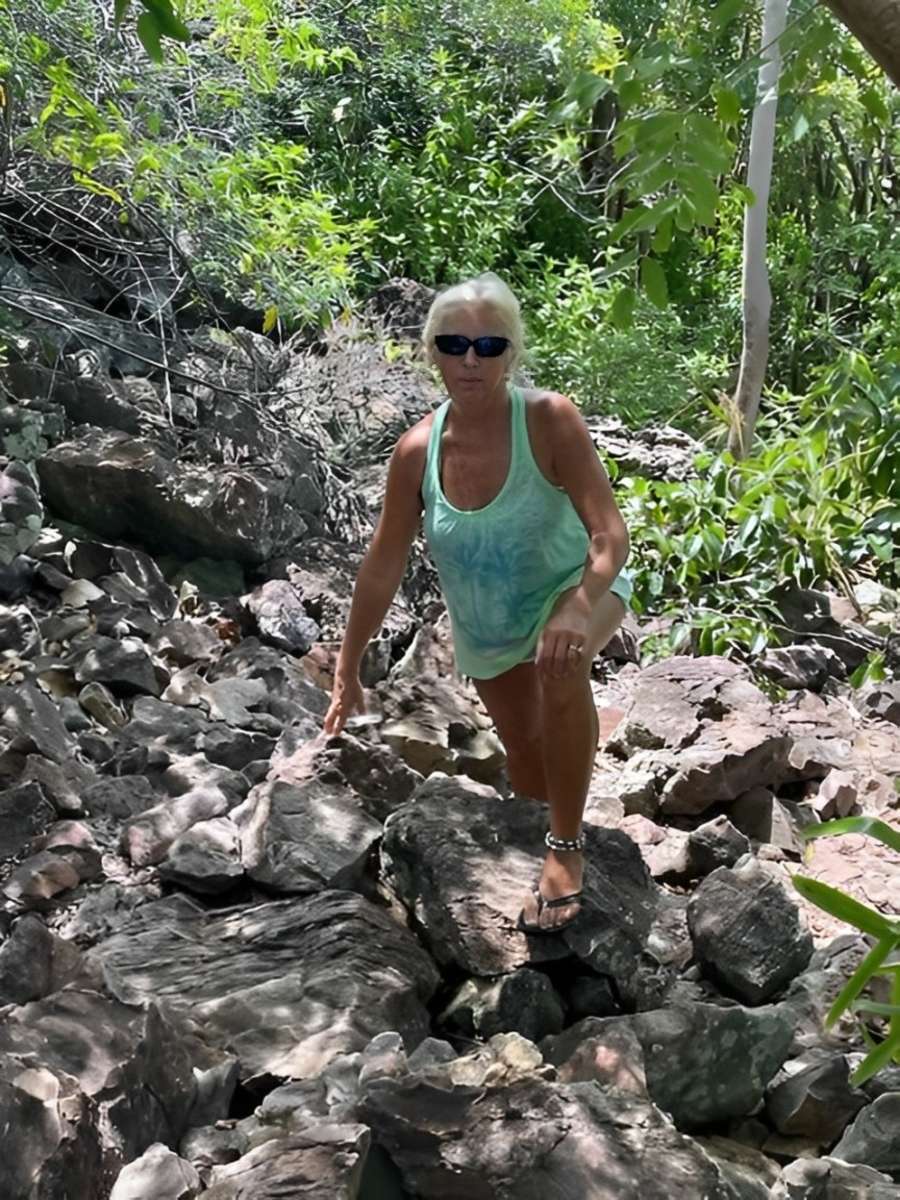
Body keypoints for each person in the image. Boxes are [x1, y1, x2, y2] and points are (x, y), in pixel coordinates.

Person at [323, 272, 631, 933]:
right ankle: (534, 850)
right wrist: (348, 669)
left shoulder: (549, 420)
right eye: (454, 343)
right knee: (523, 748)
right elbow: (382, 566)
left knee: (562, 668)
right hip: (489, 626)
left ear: (512, 352)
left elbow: (611, 536)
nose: (470, 359)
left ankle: (566, 847)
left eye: (489, 346)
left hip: (573, 590)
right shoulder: (415, 452)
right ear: (431, 349)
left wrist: (578, 605)